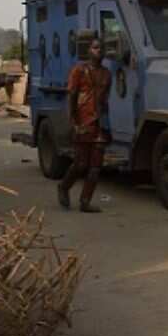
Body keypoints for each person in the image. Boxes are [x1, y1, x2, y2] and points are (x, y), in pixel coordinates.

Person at [58, 37, 111, 213]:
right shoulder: (79, 71)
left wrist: (107, 123)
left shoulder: (106, 73)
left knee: (95, 168)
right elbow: (72, 96)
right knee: (81, 164)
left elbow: (105, 100)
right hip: (83, 121)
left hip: (99, 123)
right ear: (88, 50)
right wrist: (73, 121)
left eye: (101, 48)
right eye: (96, 48)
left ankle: (85, 201)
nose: (99, 51)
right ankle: (64, 187)